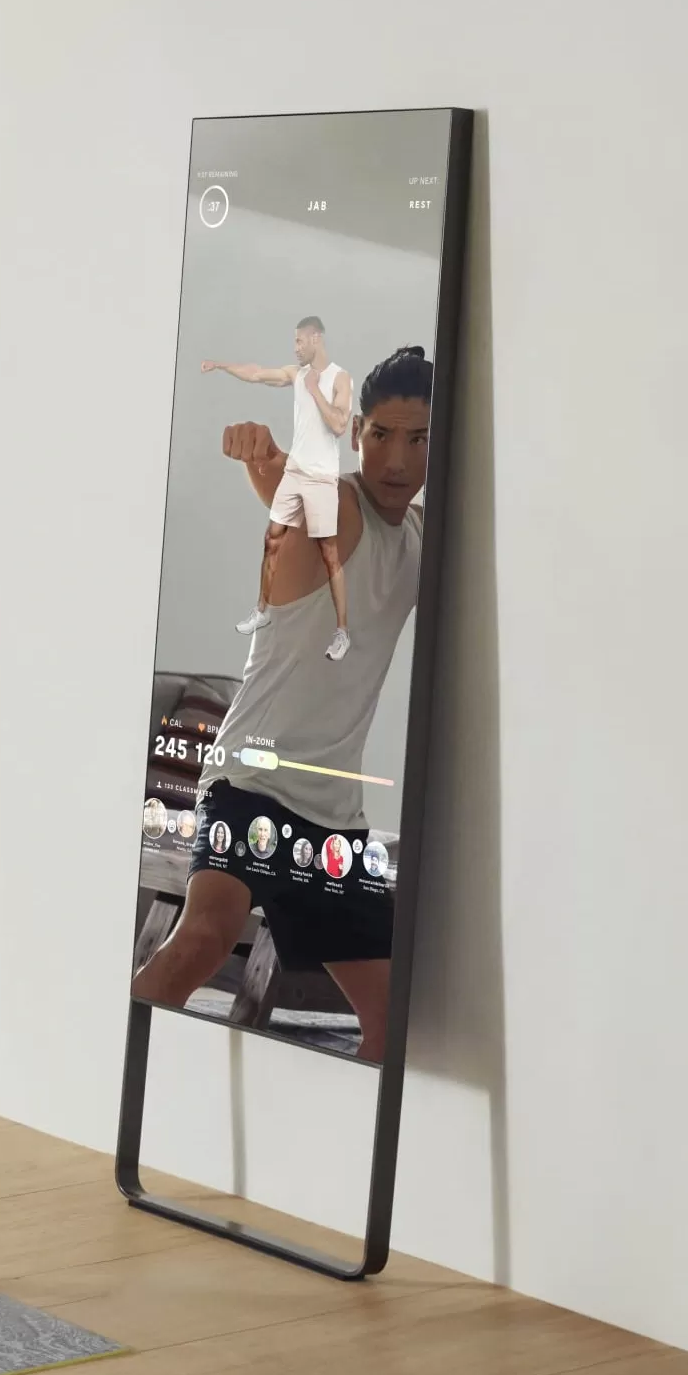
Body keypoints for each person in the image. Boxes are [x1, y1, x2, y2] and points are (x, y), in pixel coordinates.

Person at [130, 345, 431, 1062]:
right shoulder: (341, 505)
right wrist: (259, 457)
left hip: (333, 809)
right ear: (359, 432)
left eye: (417, 438)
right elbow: (298, 494)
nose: (395, 458)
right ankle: (106, 1079)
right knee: (203, 938)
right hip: (253, 782)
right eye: (381, 434)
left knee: (395, 1022)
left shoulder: (420, 537)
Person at [202, 317, 356, 659]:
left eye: (300, 341)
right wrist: (222, 366)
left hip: (321, 478)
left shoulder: (340, 378)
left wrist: (316, 391)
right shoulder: (296, 374)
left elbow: (341, 424)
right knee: (272, 539)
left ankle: (342, 632)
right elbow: (257, 373)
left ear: (316, 339)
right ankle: (261, 611)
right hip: (295, 472)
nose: (296, 347)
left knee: (329, 555)